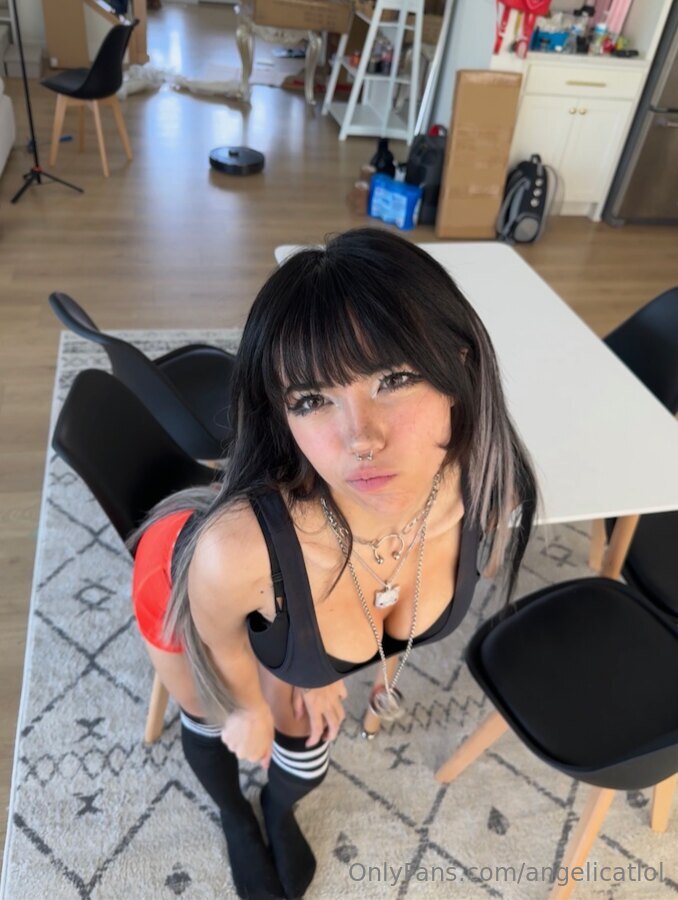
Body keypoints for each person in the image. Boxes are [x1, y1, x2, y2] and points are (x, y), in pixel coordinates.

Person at [129, 227, 538, 899]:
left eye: (394, 378)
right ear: (283, 416)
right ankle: (234, 815)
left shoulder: (491, 491)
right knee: (214, 717)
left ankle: (277, 809)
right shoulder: (233, 552)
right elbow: (222, 642)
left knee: (304, 755)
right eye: (312, 399)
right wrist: (248, 706)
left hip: (276, 593)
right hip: (187, 583)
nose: (360, 438)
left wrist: (311, 665)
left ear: (459, 366)